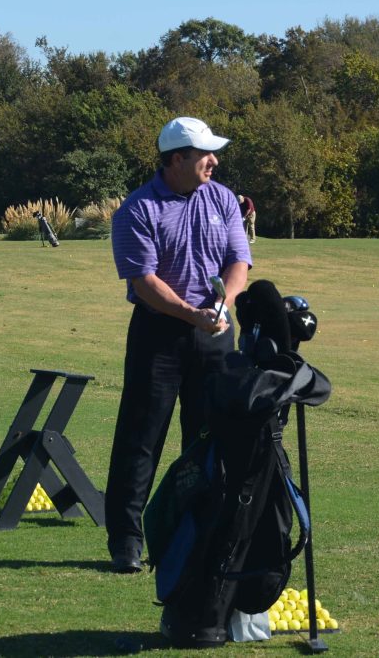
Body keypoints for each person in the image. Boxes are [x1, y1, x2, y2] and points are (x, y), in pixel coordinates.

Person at [105, 117, 251, 573]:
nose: (215, 160)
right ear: (176, 159)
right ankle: (127, 542)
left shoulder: (222, 198)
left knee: (207, 437)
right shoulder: (138, 209)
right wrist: (192, 315)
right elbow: (144, 283)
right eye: (204, 154)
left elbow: (238, 261)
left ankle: (198, 532)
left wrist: (223, 306)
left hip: (216, 333)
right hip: (159, 334)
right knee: (141, 437)